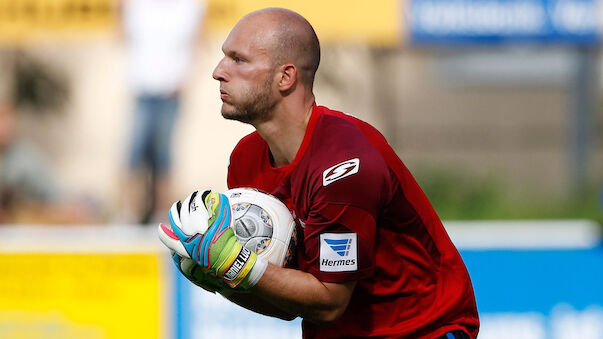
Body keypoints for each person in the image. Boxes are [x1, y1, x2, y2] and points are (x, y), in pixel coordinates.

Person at [160, 8, 479, 339]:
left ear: (286, 77)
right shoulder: (245, 159)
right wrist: (220, 278)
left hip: (423, 332)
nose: (217, 71)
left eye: (238, 60)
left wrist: (234, 263)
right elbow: (288, 303)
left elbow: (329, 300)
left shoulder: (344, 164)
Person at [118, 0, 204, 224]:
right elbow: (121, 32)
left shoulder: (190, 6)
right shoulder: (137, 5)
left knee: (164, 157)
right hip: (142, 89)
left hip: (170, 91)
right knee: (133, 154)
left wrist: (187, 80)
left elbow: (198, 43)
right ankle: (130, 213)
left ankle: (161, 214)